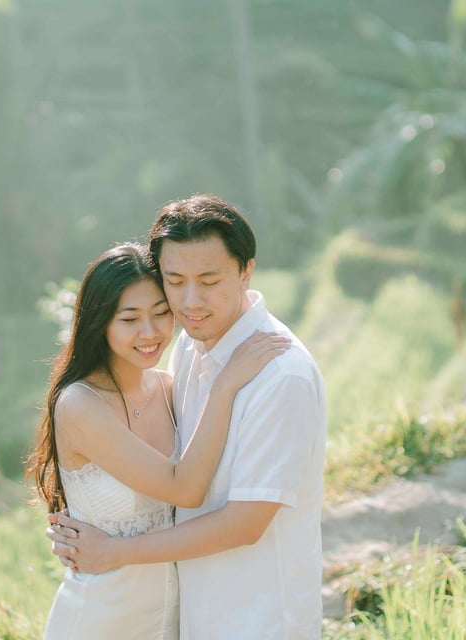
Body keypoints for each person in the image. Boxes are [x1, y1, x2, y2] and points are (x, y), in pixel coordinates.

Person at [47, 195, 328, 639]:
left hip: (258, 618)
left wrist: (114, 551)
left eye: (209, 280)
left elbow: (244, 522)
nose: (190, 301)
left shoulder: (280, 375)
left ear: (246, 270)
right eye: (175, 282)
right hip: (182, 615)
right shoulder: (188, 351)